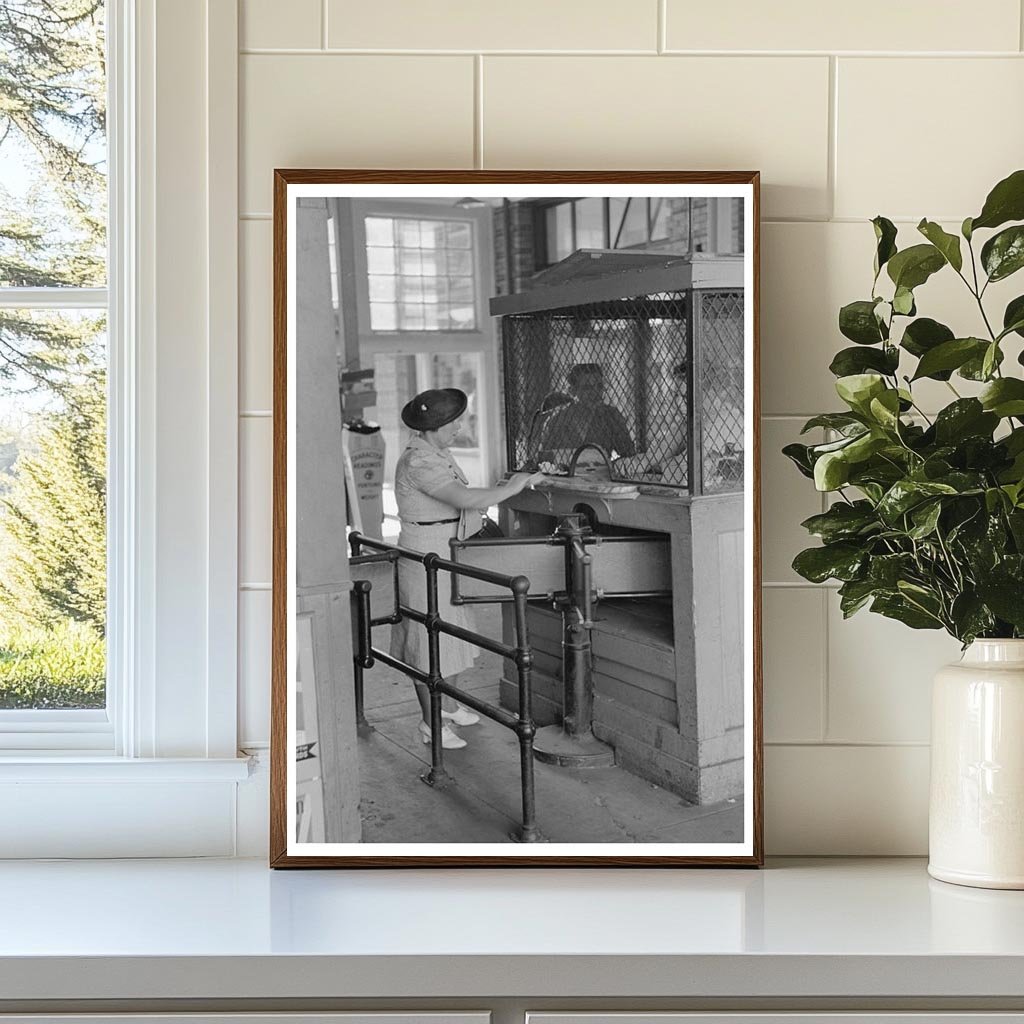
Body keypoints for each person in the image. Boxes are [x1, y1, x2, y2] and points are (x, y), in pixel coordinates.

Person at [388, 387, 545, 749]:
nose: (459, 427)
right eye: (452, 422)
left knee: (451, 633)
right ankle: (430, 725)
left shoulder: (436, 452)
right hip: (426, 554)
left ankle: (448, 706)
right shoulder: (419, 461)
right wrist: (515, 486)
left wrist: (516, 483)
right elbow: (465, 498)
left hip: (446, 549)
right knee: (428, 643)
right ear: (433, 427)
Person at [536, 363, 636, 462]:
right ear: (572, 391)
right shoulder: (557, 419)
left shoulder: (610, 415)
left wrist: (610, 466)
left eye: (599, 386)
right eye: (587, 388)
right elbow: (544, 459)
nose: (595, 393)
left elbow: (629, 454)